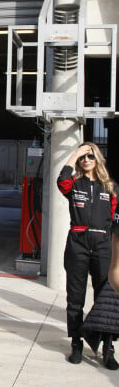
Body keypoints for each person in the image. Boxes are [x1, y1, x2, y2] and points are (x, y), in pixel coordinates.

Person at [57, 141, 118, 365]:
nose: (86, 160)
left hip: (102, 244)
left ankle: (107, 347)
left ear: (98, 159)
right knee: (75, 299)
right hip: (77, 244)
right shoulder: (73, 184)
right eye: (83, 157)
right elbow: (60, 179)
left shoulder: (110, 187)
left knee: (105, 299)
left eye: (90, 156)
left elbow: (114, 220)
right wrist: (75, 154)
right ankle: (76, 343)